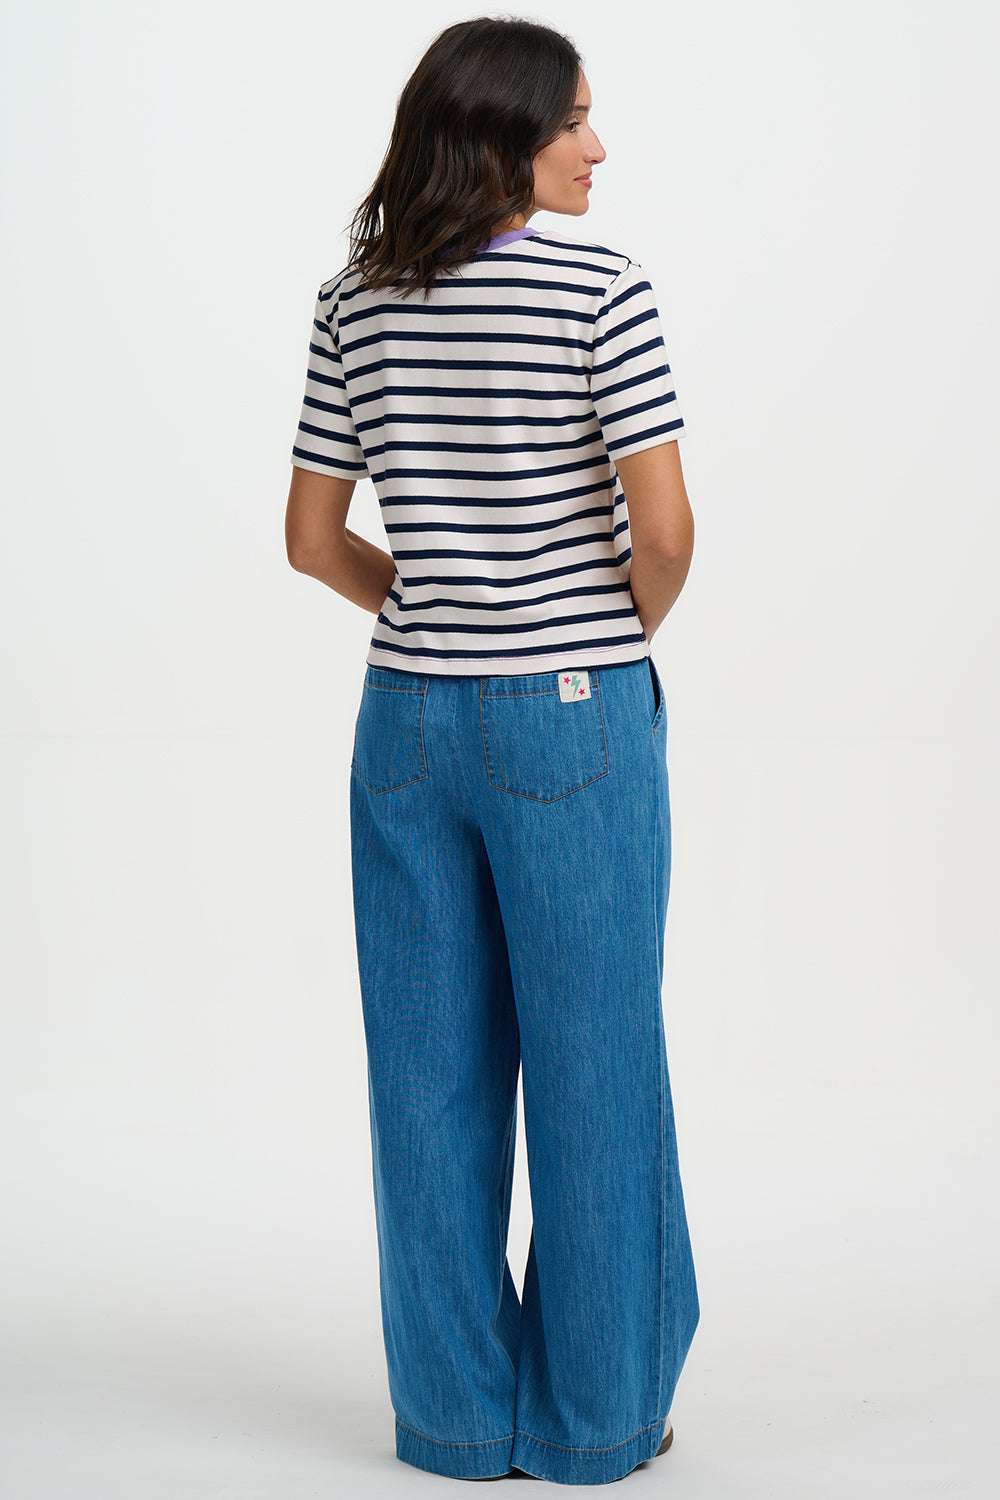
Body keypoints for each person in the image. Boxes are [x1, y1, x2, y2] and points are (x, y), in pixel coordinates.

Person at [284, 16, 699, 1486]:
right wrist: (592, 627)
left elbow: (310, 540)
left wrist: (437, 599)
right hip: (570, 717)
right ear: (505, 136)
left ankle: (459, 1423)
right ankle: (593, 1425)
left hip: (405, 723)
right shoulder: (604, 287)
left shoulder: (360, 298)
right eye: (574, 120)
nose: (599, 147)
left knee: (429, 1079)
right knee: (596, 1068)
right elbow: (663, 535)